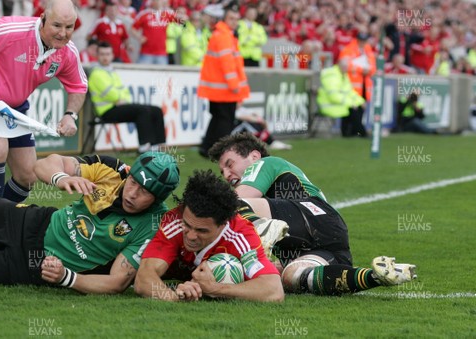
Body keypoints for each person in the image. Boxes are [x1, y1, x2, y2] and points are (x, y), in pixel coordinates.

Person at [0, 151, 180, 292]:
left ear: (158, 198)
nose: (133, 193)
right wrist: (62, 178)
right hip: (36, 220)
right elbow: (44, 164)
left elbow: (118, 282)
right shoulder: (113, 170)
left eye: (145, 192)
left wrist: (66, 278)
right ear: (130, 173)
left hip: (38, 264)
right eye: (133, 182)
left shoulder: (154, 223)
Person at [208, 133, 418, 296]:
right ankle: (376, 275)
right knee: (294, 277)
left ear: (254, 156)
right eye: (222, 171)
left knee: (233, 203)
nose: (226, 174)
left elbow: (234, 201)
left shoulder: (266, 163)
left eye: (229, 164)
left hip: (312, 214)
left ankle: (264, 227)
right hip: (327, 238)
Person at [0, 0, 87, 202]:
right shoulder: (14, 29)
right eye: (57, 25)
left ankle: (3, 220)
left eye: (69, 27)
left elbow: (78, 86)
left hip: (12, 109)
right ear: (43, 19)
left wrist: (70, 116)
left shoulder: (67, 52)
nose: (63, 33)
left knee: (28, 176)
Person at [134, 169, 284, 302]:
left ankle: (268, 244)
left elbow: (274, 290)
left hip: (247, 243)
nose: (191, 236)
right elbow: (144, 279)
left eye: (202, 230)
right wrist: (174, 297)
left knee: (277, 271)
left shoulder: (241, 235)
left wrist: (214, 289)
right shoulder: (173, 222)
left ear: (223, 224)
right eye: (187, 225)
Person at [89, 41, 166, 153]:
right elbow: (113, 94)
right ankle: (144, 147)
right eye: (102, 54)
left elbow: (125, 92)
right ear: (97, 55)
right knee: (142, 110)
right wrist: (119, 98)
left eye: (107, 54)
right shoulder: (96, 73)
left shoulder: (111, 72)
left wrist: (123, 100)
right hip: (107, 111)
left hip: (118, 106)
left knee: (156, 110)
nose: (105, 57)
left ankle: (158, 145)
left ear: (112, 55)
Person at [197, 4, 249, 157]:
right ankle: (220, 151)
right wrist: (235, 86)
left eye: (236, 19)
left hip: (219, 89)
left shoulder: (223, 35)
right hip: (224, 89)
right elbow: (227, 64)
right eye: (231, 19)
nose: (234, 22)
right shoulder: (224, 36)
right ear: (224, 19)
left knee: (218, 119)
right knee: (225, 121)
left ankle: (206, 148)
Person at [316, 57, 367, 137]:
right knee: (353, 109)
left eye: (346, 67)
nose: (346, 69)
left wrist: (361, 101)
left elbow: (349, 92)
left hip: (339, 104)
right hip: (329, 105)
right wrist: (351, 103)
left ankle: (351, 133)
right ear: (338, 65)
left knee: (359, 107)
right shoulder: (331, 76)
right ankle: (361, 133)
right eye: (344, 67)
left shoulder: (342, 75)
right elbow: (334, 96)